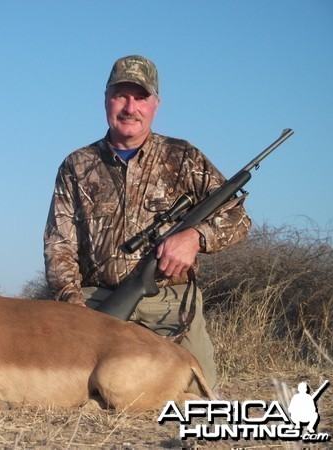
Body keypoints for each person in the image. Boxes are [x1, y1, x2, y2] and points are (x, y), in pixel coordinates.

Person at [43, 55, 251, 389]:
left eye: (140, 97)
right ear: (106, 99)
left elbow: (237, 217)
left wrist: (196, 237)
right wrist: (73, 308)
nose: (130, 107)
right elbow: (59, 246)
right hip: (96, 300)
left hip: (169, 300)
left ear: (156, 104)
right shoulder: (76, 165)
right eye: (120, 95)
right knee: (63, 391)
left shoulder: (184, 157)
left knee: (198, 395)